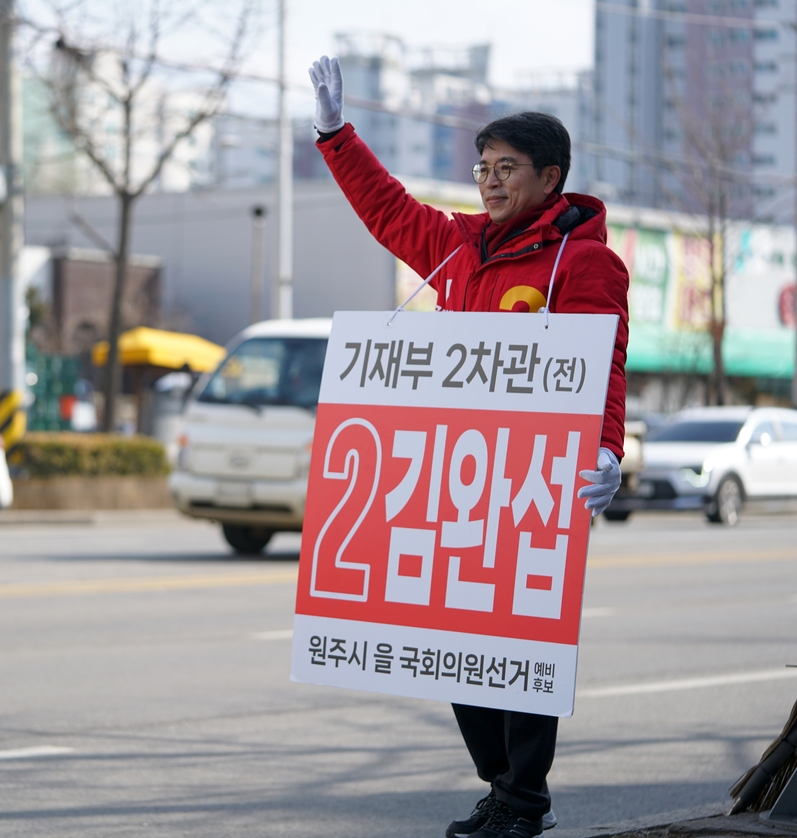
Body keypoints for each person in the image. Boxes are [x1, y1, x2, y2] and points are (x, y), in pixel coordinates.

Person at [308, 56, 629, 838]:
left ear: (551, 178)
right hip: (456, 483)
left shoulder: (583, 263)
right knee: (455, 645)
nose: (488, 182)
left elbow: (605, 360)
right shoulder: (456, 248)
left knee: (523, 647)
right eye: (483, 168)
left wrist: (610, 451)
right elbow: (387, 211)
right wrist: (333, 134)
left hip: (535, 485)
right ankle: (499, 786)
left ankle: (525, 801)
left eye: (506, 169)